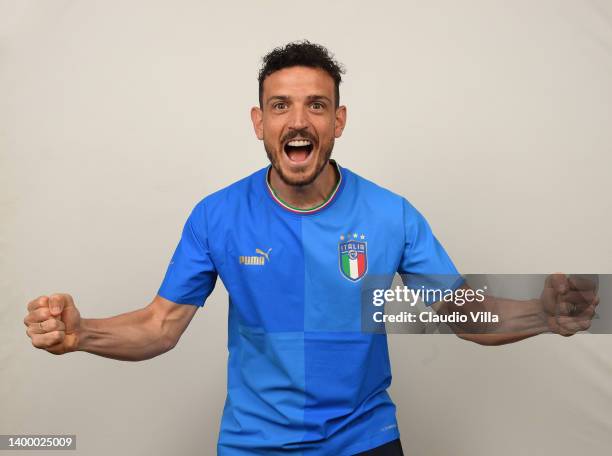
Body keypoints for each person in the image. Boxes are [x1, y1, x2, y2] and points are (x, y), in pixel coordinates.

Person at [23, 41, 598, 456]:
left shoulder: (389, 214)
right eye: (280, 105)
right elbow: (160, 325)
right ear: (259, 122)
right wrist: (82, 335)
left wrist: (541, 314)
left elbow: (457, 313)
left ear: (338, 120)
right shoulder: (217, 216)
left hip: (364, 440)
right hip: (255, 445)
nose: (298, 119)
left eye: (316, 105)